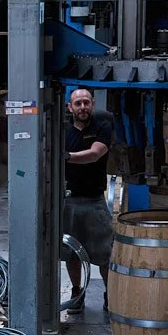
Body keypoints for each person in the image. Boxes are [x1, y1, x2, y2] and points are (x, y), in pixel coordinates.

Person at [62, 87, 116, 314]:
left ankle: (110, 294)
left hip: (95, 201)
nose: (82, 107)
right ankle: (77, 293)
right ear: (69, 107)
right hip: (69, 201)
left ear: (92, 104)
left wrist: (63, 156)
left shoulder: (102, 127)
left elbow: (95, 154)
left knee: (105, 253)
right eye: (78, 103)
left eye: (86, 102)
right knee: (71, 253)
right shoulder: (62, 131)